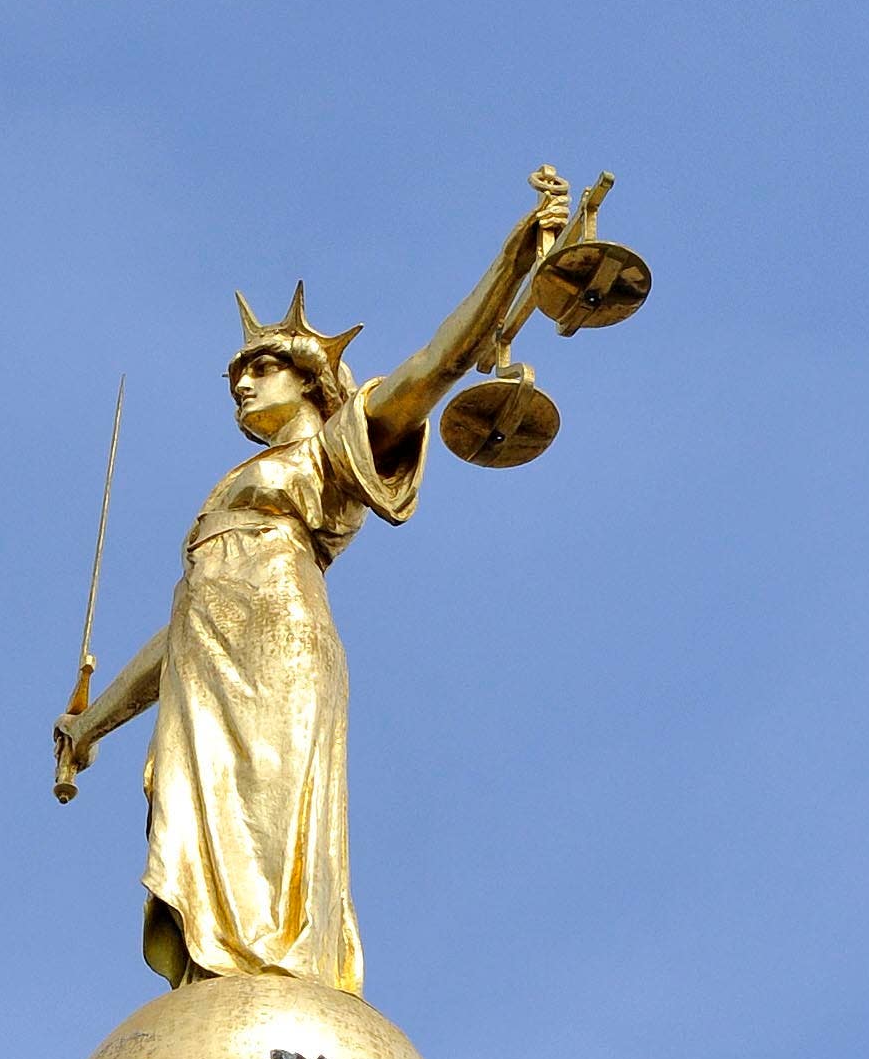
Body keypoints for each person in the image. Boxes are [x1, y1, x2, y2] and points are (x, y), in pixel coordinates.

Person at [54, 187, 568, 995]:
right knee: (210, 821)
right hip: (207, 662)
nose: (242, 384)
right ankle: (221, 985)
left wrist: (512, 263)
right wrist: (93, 724)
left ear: (312, 380)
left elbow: (439, 363)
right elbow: (182, 630)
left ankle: (279, 974)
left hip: (278, 649)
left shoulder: (335, 446)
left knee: (271, 815)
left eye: (261, 368)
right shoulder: (228, 493)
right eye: (236, 375)